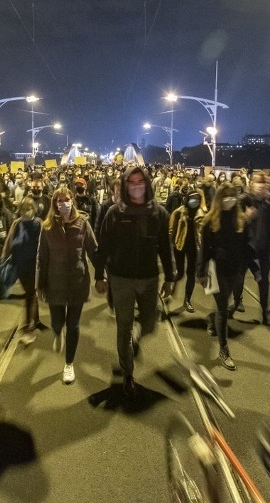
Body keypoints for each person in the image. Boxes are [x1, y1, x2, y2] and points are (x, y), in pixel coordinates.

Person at [95, 166, 175, 399]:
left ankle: (137, 340)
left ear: (147, 184)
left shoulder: (158, 213)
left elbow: (164, 248)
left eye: (141, 181)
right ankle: (128, 373)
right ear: (125, 185)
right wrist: (99, 275)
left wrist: (170, 277)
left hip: (149, 278)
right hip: (122, 279)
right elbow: (104, 245)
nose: (137, 185)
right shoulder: (115, 212)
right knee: (124, 327)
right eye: (132, 182)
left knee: (150, 322)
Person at [37, 187, 98, 384]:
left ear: (72, 200)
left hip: (77, 283)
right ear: (54, 204)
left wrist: (102, 275)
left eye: (66, 199)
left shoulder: (82, 224)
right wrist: (40, 285)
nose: (63, 203)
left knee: (73, 325)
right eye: (59, 200)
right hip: (55, 283)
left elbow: (93, 250)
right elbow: (42, 257)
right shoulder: (47, 228)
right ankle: (57, 332)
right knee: (57, 322)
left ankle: (69, 363)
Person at [196, 184, 255, 370]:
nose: (229, 199)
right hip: (215, 269)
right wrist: (201, 272)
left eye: (232, 196)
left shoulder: (241, 220)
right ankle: (224, 349)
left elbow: (247, 247)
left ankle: (212, 320)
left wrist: (256, 269)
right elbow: (204, 249)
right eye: (226, 196)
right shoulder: (210, 221)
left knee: (228, 302)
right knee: (223, 307)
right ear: (219, 198)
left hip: (235, 269)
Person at [236, 172, 270, 324]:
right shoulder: (244, 199)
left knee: (264, 280)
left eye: (264, 185)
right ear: (252, 185)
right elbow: (234, 221)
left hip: (263, 247)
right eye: (258, 184)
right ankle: (237, 301)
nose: (261, 188)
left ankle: (265, 311)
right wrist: (245, 217)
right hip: (244, 246)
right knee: (239, 277)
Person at [1, 197, 42, 342]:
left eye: (29, 209)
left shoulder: (38, 224)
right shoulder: (17, 223)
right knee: (31, 293)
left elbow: (44, 244)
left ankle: (27, 327)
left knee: (30, 295)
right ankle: (35, 320)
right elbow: (9, 241)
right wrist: (4, 258)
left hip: (34, 265)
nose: (26, 212)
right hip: (20, 264)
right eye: (24, 209)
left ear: (34, 209)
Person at [168, 188, 204, 313]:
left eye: (197, 199)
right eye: (192, 199)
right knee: (180, 272)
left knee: (191, 274)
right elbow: (171, 231)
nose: (194, 201)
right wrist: (170, 247)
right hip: (179, 246)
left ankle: (187, 299)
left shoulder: (201, 214)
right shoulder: (178, 212)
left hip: (194, 248)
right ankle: (171, 287)